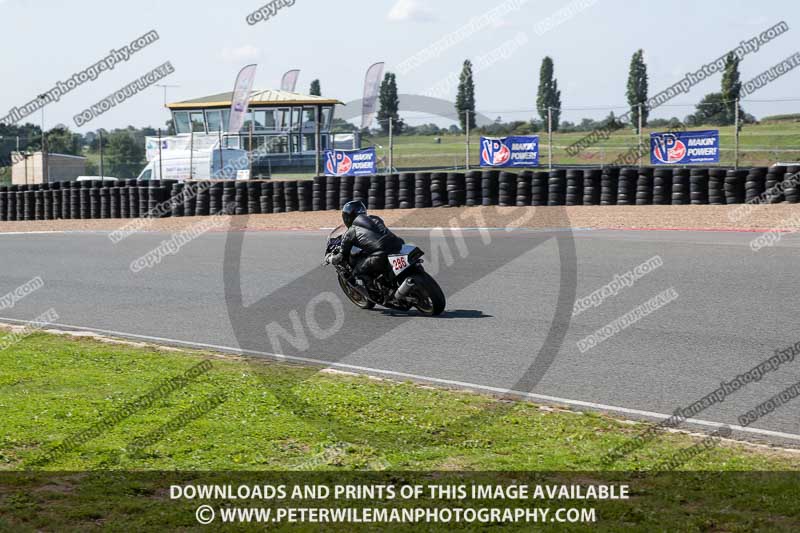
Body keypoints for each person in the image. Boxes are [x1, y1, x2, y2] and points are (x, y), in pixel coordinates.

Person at [333, 201, 404, 290]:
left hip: (381, 255)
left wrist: (332, 259)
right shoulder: (376, 218)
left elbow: (342, 255)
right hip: (397, 245)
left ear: (347, 217)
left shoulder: (351, 231)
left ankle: (375, 290)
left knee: (357, 272)